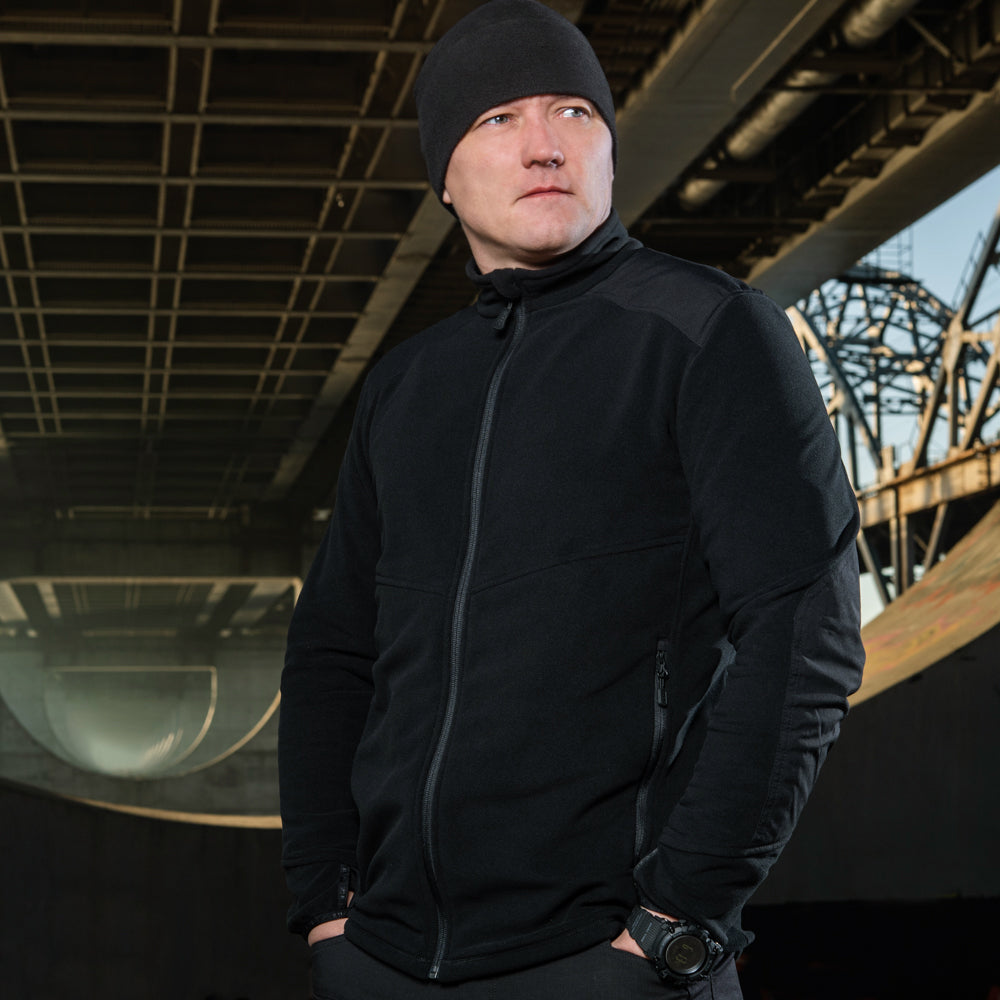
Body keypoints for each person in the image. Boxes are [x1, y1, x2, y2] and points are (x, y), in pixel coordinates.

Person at [278, 2, 865, 997]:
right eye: (498, 118)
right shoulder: (405, 386)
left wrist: (678, 918)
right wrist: (326, 906)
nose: (544, 143)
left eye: (574, 112)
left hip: (607, 960)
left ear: (606, 146)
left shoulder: (711, 332)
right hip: (386, 957)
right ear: (445, 175)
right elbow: (334, 651)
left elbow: (804, 636)